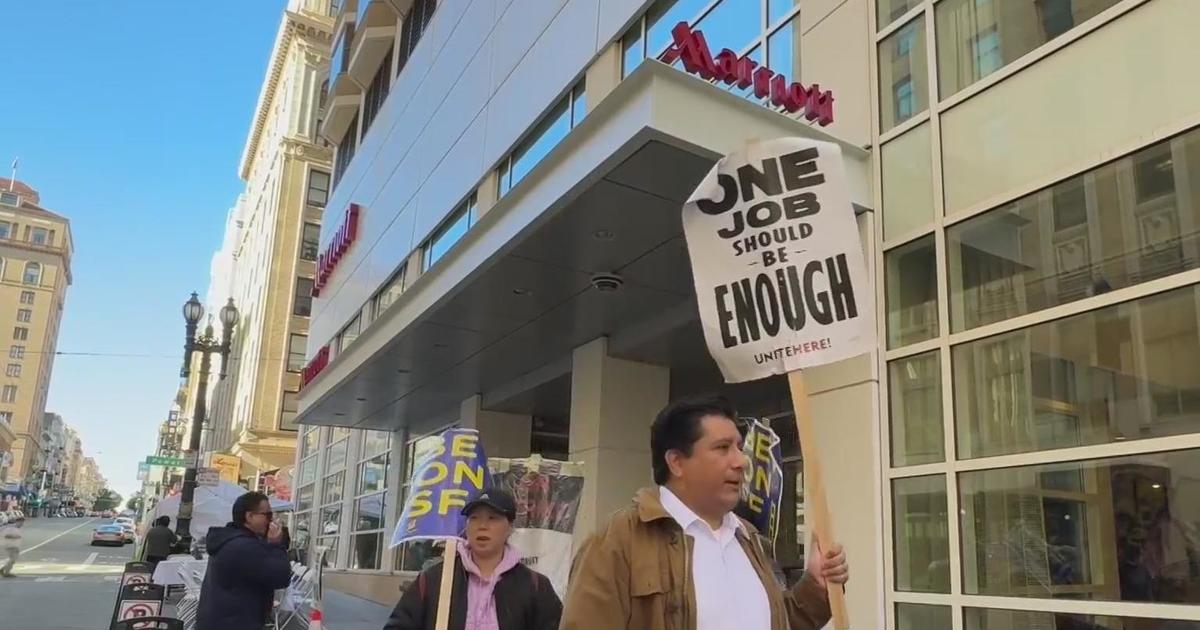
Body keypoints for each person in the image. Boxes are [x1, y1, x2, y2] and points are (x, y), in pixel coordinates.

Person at [561, 396, 849, 630]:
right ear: (676, 462)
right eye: (722, 448)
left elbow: (780, 622)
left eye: (739, 446)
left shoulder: (748, 539)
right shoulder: (619, 540)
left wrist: (815, 585)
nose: (741, 462)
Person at [384, 489, 562, 630]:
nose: (482, 526)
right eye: (474, 518)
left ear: (509, 528)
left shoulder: (535, 586)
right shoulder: (432, 580)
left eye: (492, 518)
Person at [196, 491, 292, 630]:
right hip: (234, 622)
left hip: (223, 620)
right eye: (268, 515)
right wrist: (276, 545)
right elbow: (280, 577)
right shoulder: (244, 546)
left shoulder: (231, 540)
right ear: (250, 516)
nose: (270, 521)